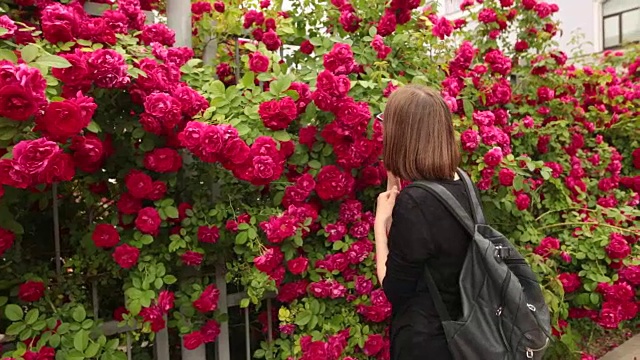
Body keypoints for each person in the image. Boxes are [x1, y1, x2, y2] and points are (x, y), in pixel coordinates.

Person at [374, 85, 478, 360]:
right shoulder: (463, 184)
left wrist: (379, 228)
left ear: (400, 136)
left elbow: (394, 288)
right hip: (466, 333)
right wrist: (392, 179)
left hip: (427, 343)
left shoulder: (415, 203)